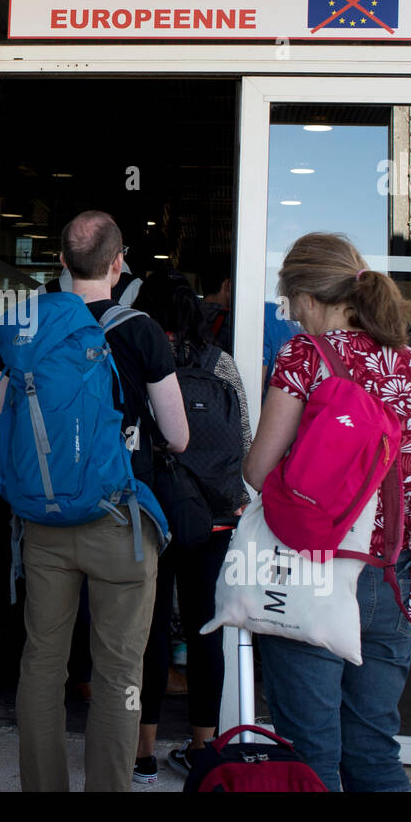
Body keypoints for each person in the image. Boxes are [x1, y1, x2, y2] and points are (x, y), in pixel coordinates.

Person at [242, 232, 411, 792]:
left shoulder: (304, 356)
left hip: (316, 569)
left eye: (291, 306)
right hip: (392, 573)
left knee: (311, 754)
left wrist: (325, 485)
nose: (292, 318)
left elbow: (259, 471)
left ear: (309, 300)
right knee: (373, 750)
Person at [0, 210, 189, 792]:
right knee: (120, 671)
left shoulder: (27, 330)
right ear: (118, 263)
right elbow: (177, 435)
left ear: (61, 265)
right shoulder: (140, 329)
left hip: (44, 528)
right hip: (119, 524)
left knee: (42, 667)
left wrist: (30, 496)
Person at [130, 269, 252, 784]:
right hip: (215, 521)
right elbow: (243, 437)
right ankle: (203, 749)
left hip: (154, 515)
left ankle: (142, 754)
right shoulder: (221, 364)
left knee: (149, 631)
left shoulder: (139, 359)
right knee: (206, 631)